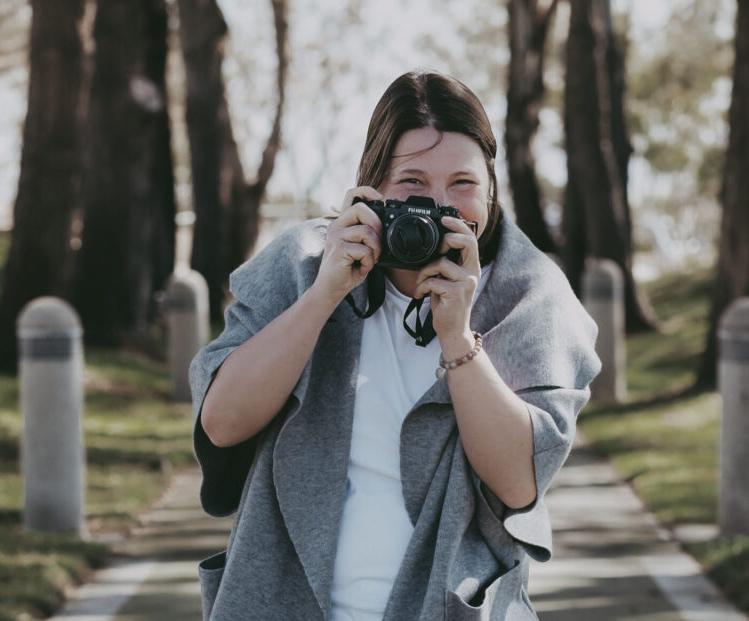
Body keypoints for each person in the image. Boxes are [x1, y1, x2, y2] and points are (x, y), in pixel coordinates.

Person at [190, 71, 601, 621]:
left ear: (491, 189)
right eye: (412, 184)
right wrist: (324, 294)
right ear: (372, 188)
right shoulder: (303, 263)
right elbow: (222, 422)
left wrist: (457, 338)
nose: (438, 205)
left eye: (463, 184)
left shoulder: (528, 294)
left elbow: (519, 483)